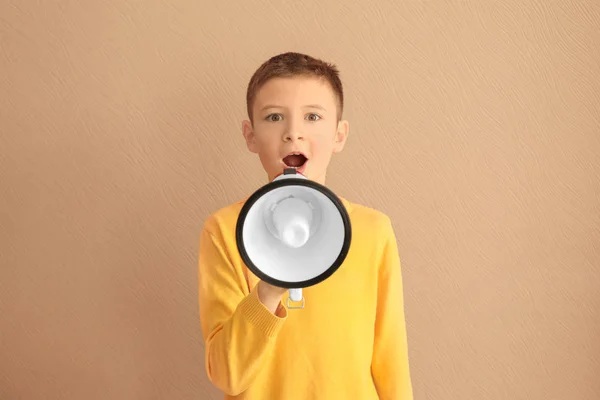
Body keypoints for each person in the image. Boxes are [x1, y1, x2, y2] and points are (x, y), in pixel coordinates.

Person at [198, 52, 413, 399]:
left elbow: (391, 361)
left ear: (339, 135)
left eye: (313, 116)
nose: (293, 133)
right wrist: (268, 289)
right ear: (250, 135)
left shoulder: (373, 231)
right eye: (274, 117)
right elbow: (228, 376)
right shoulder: (224, 230)